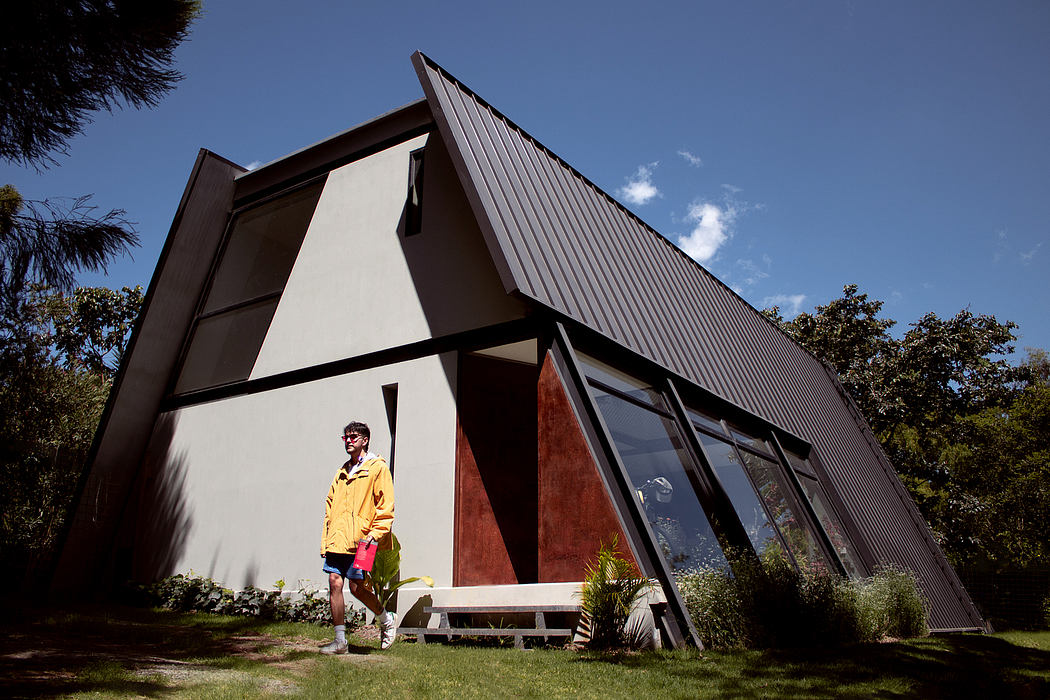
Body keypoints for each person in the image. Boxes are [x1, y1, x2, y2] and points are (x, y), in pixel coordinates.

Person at [319, 420, 397, 653]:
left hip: (364, 540)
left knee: (357, 588)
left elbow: (385, 505)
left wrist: (375, 534)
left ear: (365, 440)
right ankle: (340, 641)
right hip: (338, 539)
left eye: (353, 437)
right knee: (334, 582)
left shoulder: (377, 468)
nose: (349, 441)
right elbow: (330, 507)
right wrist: (326, 541)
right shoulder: (341, 472)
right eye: (346, 437)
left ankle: (386, 619)